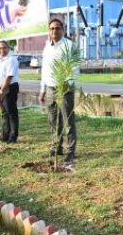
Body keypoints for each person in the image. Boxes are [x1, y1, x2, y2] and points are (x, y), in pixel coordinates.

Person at [39, 18, 79, 164]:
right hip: (50, 88)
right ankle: (56, 147)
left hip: (65, 88)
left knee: (68, 121)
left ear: (63, 29)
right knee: (53, 119)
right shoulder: (47, 47)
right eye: (51, 29)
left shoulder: (70, 46)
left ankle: (70, 151)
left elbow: (74, 68)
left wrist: (66, 85)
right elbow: (45, 70)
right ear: (49, 31)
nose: (54, 31)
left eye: (57, 28)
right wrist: (42, 89)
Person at [0, 41, 20, 143]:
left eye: (4, 48)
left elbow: (9, 77)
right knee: (4, 113)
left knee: (11, 113)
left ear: (8, 48)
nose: (2, 50)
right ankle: (5, 135)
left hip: (9, 88)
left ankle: (13, 137)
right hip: (0, 88)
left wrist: (2, 91)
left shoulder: (11, 60)